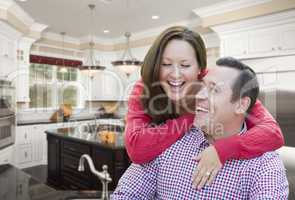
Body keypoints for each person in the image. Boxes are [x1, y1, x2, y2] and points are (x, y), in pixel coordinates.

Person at [124, 26, 284, 188]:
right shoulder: (143, 89)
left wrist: (222, 149)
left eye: (185, 65)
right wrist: (195, 114)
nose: (175, 74)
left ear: (200, 69)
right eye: (166, 64)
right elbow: (136, 149)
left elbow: (273, 132)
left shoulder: (211, 81)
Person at [111, 57, 289, 199]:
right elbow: (126, 194)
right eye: (202, 86)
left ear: (241, 105)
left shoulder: (265, 165)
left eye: (214, 89)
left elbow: (273, 132)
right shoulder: (171, 139)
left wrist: (222, 149)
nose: (200, 94)